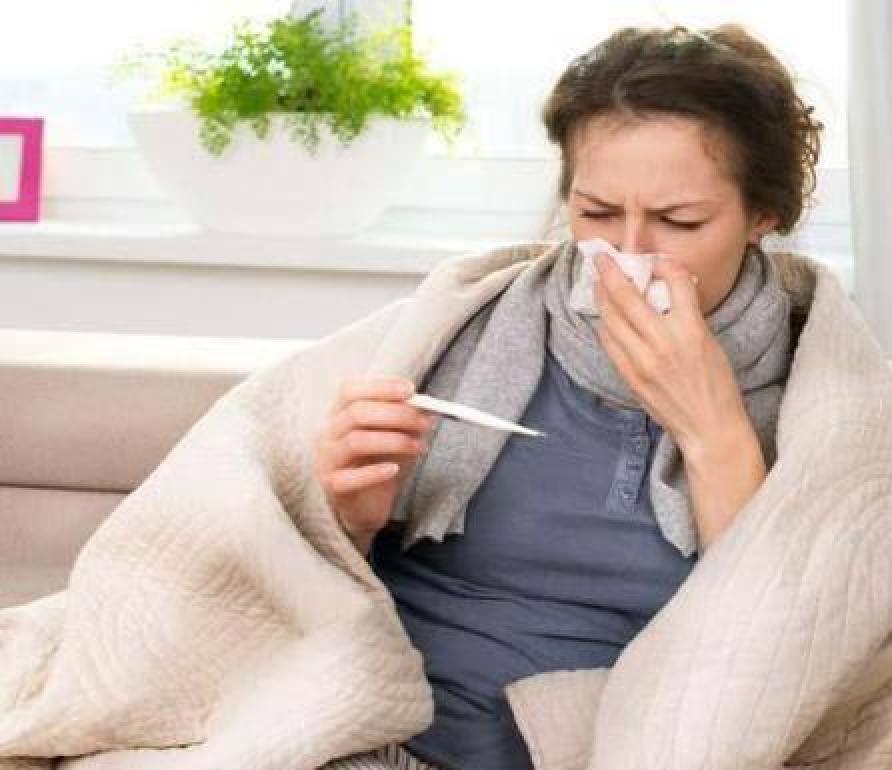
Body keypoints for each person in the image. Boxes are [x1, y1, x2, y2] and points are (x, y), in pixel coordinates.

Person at [314, 23, 821, 770]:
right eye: (595, 213)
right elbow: (282, 563)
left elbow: (778, 649)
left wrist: (712, 425)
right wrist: (350, 515)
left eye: (679, 221)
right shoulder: (466, 325)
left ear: (762, 216)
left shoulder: (815, 391)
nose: (629, 252)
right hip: (360, 727)